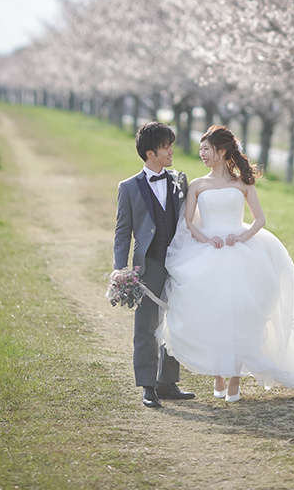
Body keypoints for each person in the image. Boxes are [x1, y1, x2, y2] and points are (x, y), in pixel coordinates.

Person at [157, 125, 294, 401]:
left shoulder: (242, 184)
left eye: (206, 149)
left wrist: (242, 235)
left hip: (240, 251)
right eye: (201, 149)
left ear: (221, 151)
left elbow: (260, 219)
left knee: (241, 312)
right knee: (214, 310)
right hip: (208, 251)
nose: (201, 154)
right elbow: (188, 221)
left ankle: (235, 376)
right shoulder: (198, 185)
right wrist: (205, 239)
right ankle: (218, 374)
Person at [113, 121, 195, 408]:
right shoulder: (128, 187)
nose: (172, 150)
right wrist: (120, 268)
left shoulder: (180, 180)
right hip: (149, 264)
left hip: (180, 261)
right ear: (150, 153)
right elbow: (123, 232)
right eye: (166, 146)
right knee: (147, 326)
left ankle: (167, 382)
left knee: (175, 321)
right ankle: (148, 385)